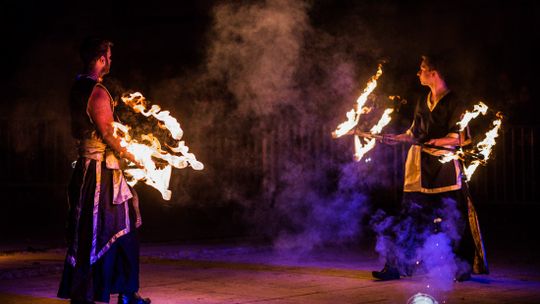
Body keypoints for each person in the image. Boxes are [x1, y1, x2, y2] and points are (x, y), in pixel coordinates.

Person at [371, 54, 488, 281]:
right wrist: (396, 137)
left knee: (452, 218)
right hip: (418, 168)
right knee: (408, 217)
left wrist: (439, 142)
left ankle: (460, 267)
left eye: (422, 68)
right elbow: (414, 133)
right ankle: (397, 265)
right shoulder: (422, 100)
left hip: (444, 170)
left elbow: (461, 137)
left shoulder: (455, 102)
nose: (418, 73)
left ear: (434, 73)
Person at [58, 37, 151, 304]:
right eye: (108, 56)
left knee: (127, 227)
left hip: (101, 171)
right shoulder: (96, 92)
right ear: (100, 59)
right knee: (94, 234)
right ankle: (88, 294)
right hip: (99, 176)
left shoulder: (78, 86)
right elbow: (110, 135)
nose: (110, 61)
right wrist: (136, 155)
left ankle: (127, 292)